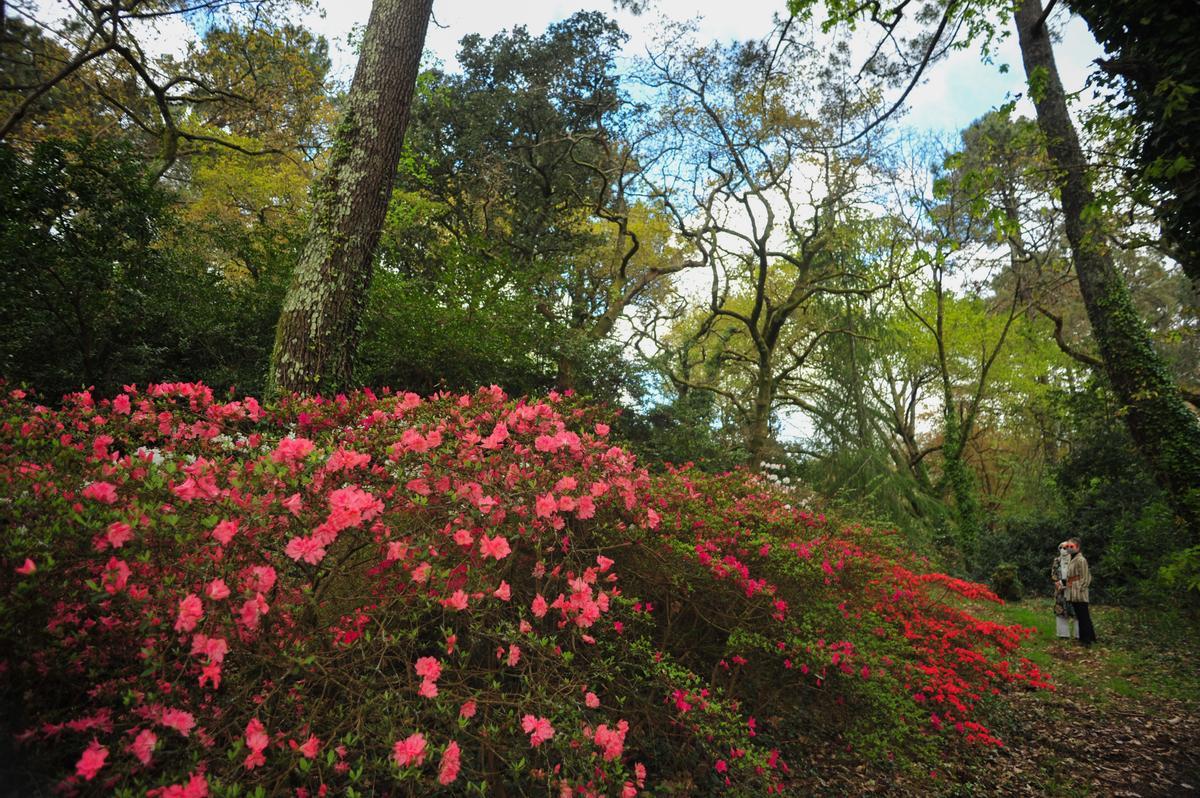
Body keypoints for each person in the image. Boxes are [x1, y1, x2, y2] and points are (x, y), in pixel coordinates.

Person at [1059, 537, 1096, 647]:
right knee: (1081, 615)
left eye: (1072, 547)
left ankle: (1086, 640)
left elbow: (1086, 577)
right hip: (1072, 590)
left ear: (1078, 547)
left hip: (1079, 591)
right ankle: (1091, 637)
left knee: (1083, 616)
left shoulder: (1081, 560)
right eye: (1068, 547)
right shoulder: (1072, 558)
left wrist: (1080, 589)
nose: (1069, 548)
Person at [1051, 541, 1078, 640]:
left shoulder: (1075, 560)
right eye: (1061, 548)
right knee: (1060, 611)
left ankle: (1078, 635)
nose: (1063, 550)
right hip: (1060, 591)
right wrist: (1057, 582)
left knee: (1076, 612)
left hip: (1073, 590)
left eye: (1066, 547)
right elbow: (1053, 574)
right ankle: (1063, 634)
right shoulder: (1057, 560)